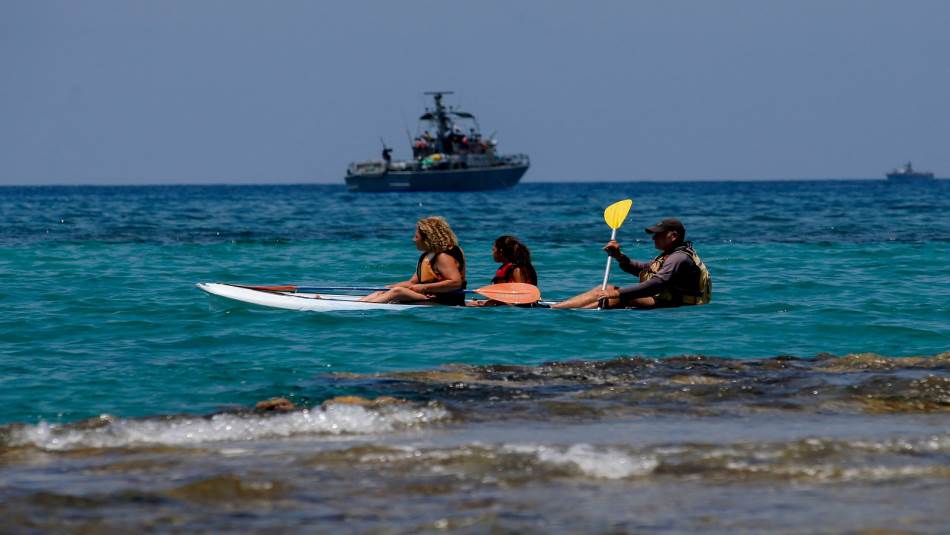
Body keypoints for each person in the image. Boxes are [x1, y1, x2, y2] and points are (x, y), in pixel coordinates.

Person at [552, 218, 711, 309]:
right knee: (605, 290)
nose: (653, 238)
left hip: (675, 304)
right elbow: (641, 269)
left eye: (658, 235)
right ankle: (562, 308)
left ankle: (562, 311)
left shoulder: (679, 258)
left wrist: (618, 293)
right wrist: (619, 256)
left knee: (613, 293)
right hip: (664, 300)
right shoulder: (669, 256)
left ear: (674, 236)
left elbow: (656, 284)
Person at [360, 216, 467, 305]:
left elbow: (455, 283)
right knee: (386, 290)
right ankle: (358, 304)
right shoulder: (428, 255)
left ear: (428, 238)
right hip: (430, 296)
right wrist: (388, 287)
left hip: (445, 300)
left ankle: (365, 307)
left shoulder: (443, 256)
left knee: (398, 291)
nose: (413, 240)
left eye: (416, 236)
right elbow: (412, 282)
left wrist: (424, 287)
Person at [469, 235, 539, 307]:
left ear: (500, 251)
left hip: (519, 309)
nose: (492, 253)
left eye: (493, 250)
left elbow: (520, 298)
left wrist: (494, 303)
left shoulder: (517, 270)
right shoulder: (509, 268)